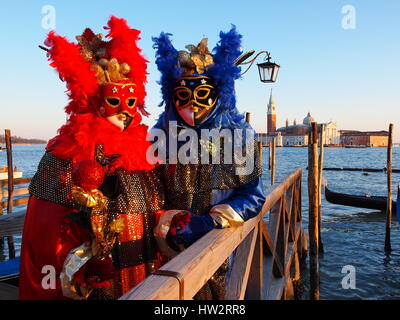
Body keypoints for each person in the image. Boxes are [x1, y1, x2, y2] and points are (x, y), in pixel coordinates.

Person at [19, 16, 164, 300]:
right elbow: (46, 236)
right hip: (93, 286)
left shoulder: (144, 155)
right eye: (114, 100)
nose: (125, 111)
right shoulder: (65, 155)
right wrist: (79, 268)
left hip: (144, 277)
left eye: (131, 102)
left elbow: (155, 209)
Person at [151, 26, 266, 299]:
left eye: (201, 93)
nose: (192, 102)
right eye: (183, 93)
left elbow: (253, 196)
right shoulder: (162, 134)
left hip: (217, 248)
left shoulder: (238, 135)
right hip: (165, 247)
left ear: (218, 92)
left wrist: (209, 223)